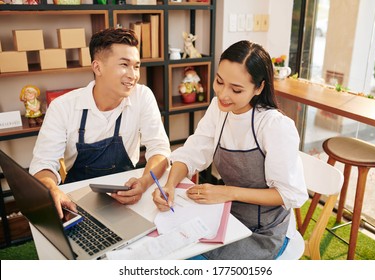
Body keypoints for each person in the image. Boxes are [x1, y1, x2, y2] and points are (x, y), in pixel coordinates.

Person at [152, 40, 308, 260]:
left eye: (236, 89)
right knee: (168, 248)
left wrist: (227, 192)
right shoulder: (219, 109)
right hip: (227, 215)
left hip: (263, 232)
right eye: (219, 82)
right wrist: (169, 184)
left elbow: (289, 194)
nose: (223, 94)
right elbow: (193, 152)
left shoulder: (274, 126)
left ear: (259, 87)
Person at [30, 28, 171, 218]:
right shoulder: (62, 107)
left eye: (136, 66)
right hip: (77, 199)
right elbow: (43, 164)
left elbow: (160, 149)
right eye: (124, 64)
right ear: (97, 68)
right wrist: (50, 188)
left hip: (126, 192)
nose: (133, 75)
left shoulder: (142, 96)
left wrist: (144, 182)